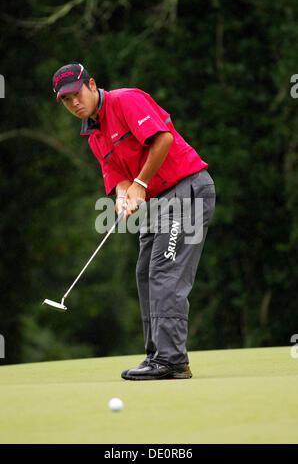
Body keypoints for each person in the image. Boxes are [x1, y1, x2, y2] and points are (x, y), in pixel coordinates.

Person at [52, 62, 216, 380]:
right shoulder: (94, 136)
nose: (74, 103)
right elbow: (117, 177)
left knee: (165, 272)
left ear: (91, 84)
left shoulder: (125, 100)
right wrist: (125, 194)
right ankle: (157, 356)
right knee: (145, 273)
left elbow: (163, 139)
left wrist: (140, 183)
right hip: (158, 201)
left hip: (187, 189)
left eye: (76, 94)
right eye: (66, 100)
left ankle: (172, 361)